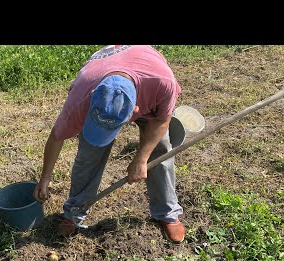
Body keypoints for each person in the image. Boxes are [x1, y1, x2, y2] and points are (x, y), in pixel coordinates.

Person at [32, 45, 185, 243]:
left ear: (135, 110)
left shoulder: (163, 83)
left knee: (160, 148)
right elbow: (56, 137)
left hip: (147, 81)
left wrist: (141, 159)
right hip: (104, 70)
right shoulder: (82, 95)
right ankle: (74, 212)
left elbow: (162, 120)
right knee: (88, 156)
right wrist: (44, 179)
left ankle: (168, 213)